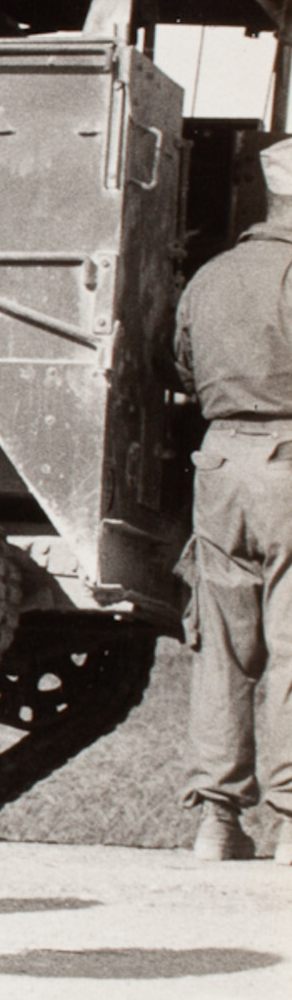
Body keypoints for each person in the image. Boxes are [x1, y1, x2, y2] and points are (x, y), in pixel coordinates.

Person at [173, 135, 292, 864]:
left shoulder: (210, 277)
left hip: (217, 464)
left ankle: (215, 822)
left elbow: (182, 366)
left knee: (219, 646)